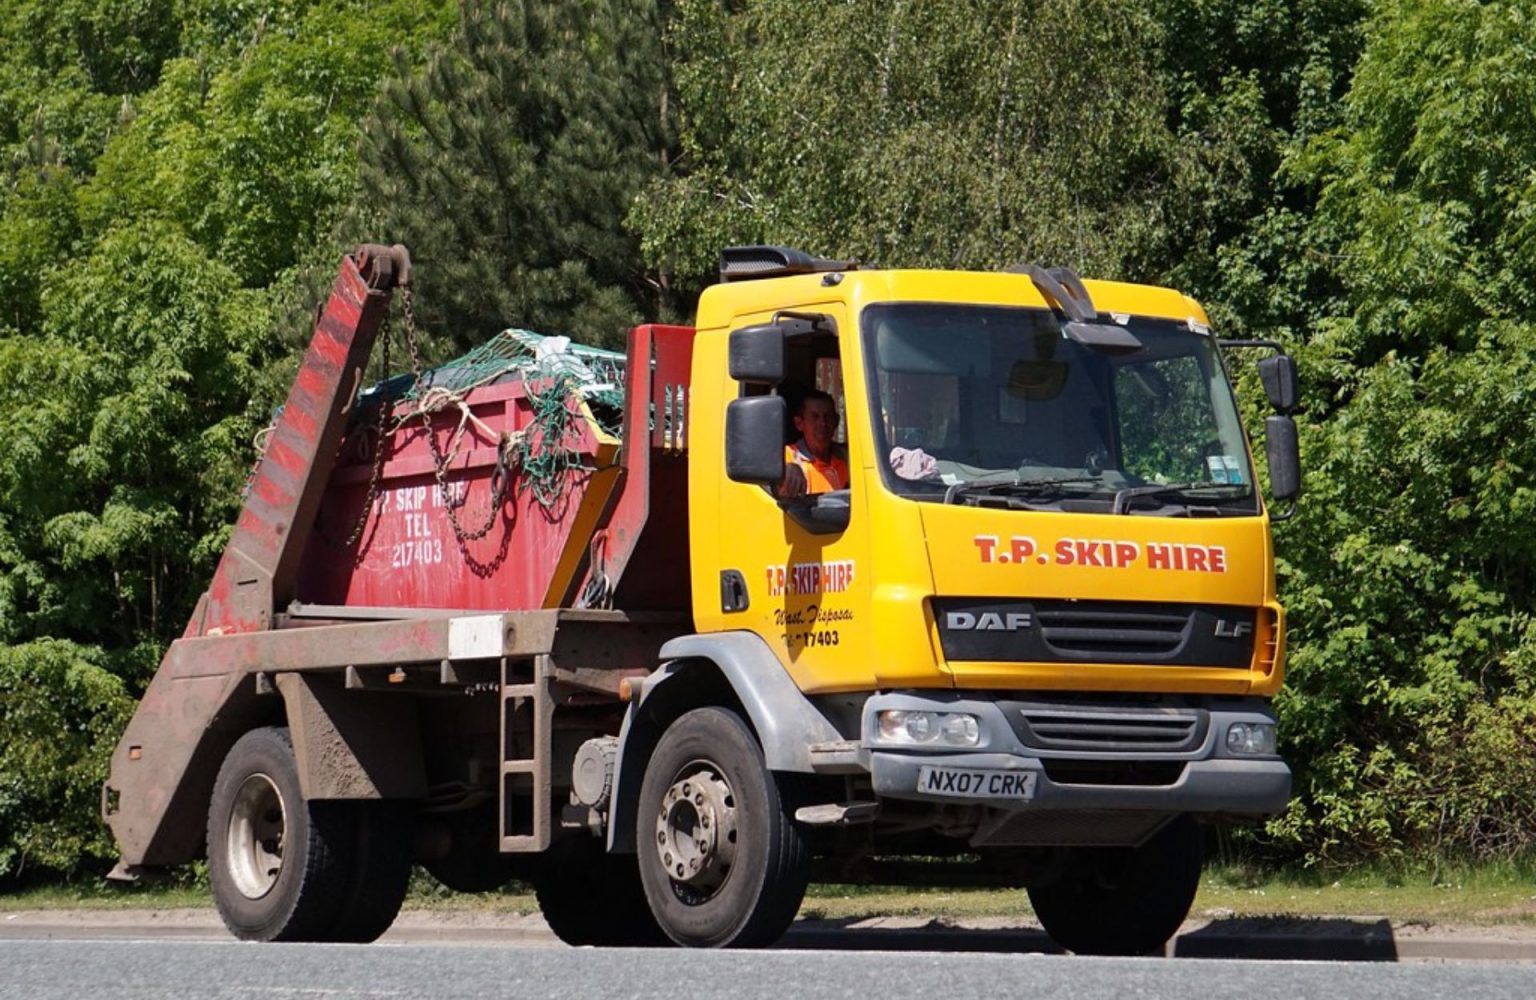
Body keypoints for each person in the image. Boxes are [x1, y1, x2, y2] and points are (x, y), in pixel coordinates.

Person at [777, 389, 850, 497]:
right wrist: (784, 471)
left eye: (827, 416)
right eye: (815, 417)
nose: (822, 423)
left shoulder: (850, 457)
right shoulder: (786, 457)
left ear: (836, 421)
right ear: (799, 424)